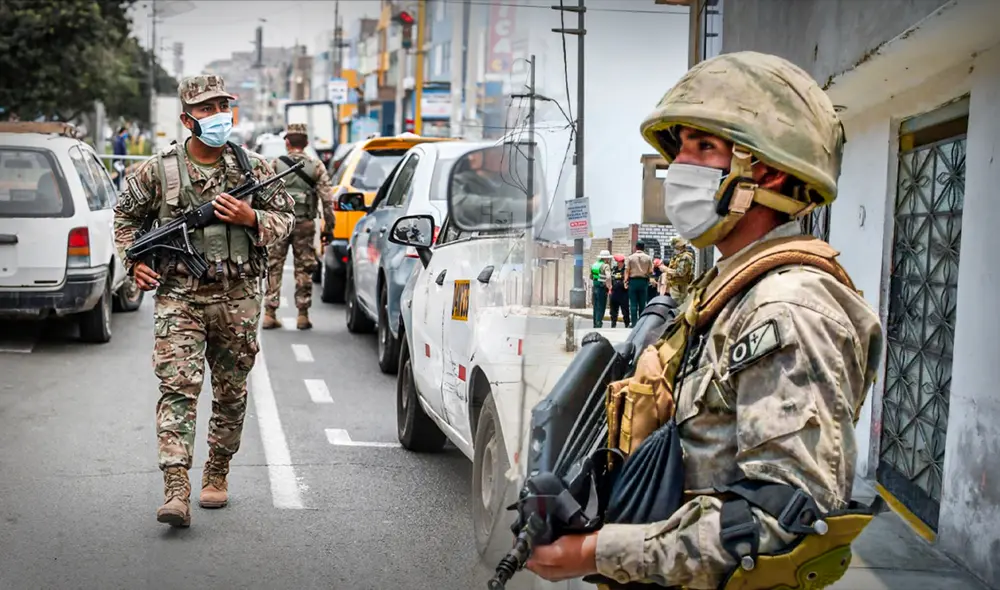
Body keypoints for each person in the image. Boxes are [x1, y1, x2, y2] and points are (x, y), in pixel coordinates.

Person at [524, 51, 884, 589]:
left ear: (770, 170)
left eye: (705, 146)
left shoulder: (788, 310)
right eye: (682, 147)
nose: (681, 165)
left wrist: (599, 552)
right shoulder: (726, 292)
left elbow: (781, 523)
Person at [112, 75, 295, 528]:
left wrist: (253, 217)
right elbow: (125, 217)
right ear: (187, 118)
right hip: (180, 298)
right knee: (178, 388)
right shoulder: (159, 170)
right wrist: (133, 264)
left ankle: (217, 470)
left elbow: (288, 217)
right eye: (207, 109)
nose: (217, 116)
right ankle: (176, 488)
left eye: (222, 107)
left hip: (238, 296)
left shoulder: (254, 168)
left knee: (231, 392)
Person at [262, 123, 336, 330]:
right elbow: (327, 199)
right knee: (304, 267)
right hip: (304, 224)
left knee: (273, 266)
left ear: (287, 142)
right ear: (307, 143)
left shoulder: (275, 164)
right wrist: (329, 227)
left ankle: (269, 313)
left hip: (278, 225)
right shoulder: (316, 166)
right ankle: (302, 314)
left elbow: (262, 194)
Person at [623, 239, 654, 322]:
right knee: (642, 304)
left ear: (636, 247)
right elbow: (651, 271)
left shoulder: (630, 258)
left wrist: (625, 281)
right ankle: (641, 323)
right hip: (643, 282)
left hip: (633, 282)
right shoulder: (648, 258)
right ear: (644, 248)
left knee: (633, 304)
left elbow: (627, 271)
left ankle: (633, 323)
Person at [660, 236, 696, 302]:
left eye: (675, 247)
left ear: (680, 247)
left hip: (680, 288)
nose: (674, 249)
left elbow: (681, 273)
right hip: (675, 286)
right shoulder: (678, 256)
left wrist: (666, 269)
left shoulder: (685, 257)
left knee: (678, 306)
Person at [590, 250, 613, 328]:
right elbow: (608, 276)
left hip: (595, 287)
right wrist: (609, 286)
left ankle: (595, 323)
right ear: (605, 258)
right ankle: (599, 322)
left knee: (595, 306)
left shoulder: (594, 265)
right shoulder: (605, 266)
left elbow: (591, 276)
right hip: (602, 288)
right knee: (601, 306)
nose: (609, 260)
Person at [608, 254, 630, 329]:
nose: (617, 263)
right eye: (616, 262)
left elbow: (627, 280)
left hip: (623, 293)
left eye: (618, 262)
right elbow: (611, 278)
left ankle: (627, 324)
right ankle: (613, 324)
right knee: (613, 310)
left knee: (625, 310)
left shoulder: (626, 270)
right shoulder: (614, 269)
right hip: (614, 292)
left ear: (622, 262)